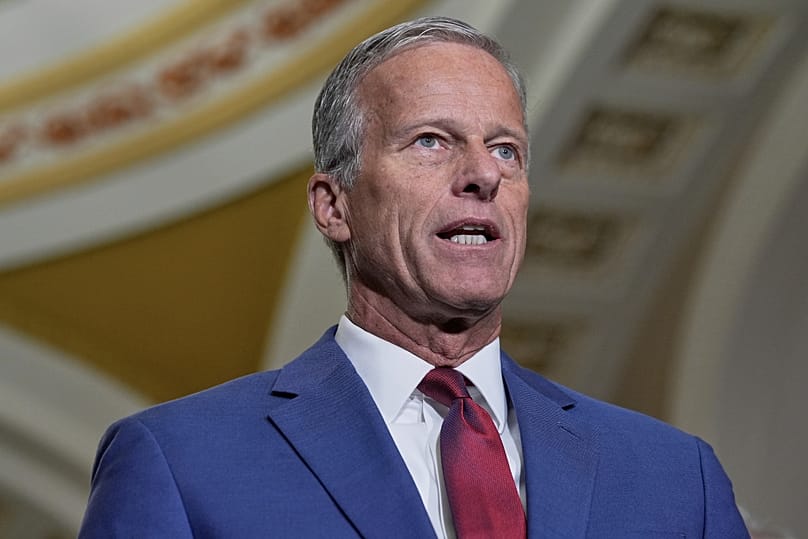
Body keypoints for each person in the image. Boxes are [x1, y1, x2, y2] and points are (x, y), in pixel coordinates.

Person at [79, 16, 749, 538]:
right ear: (334, 206)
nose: (483, 174)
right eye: (431, 140)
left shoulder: (674, 476)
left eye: (506, 150)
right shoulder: (182, 462)